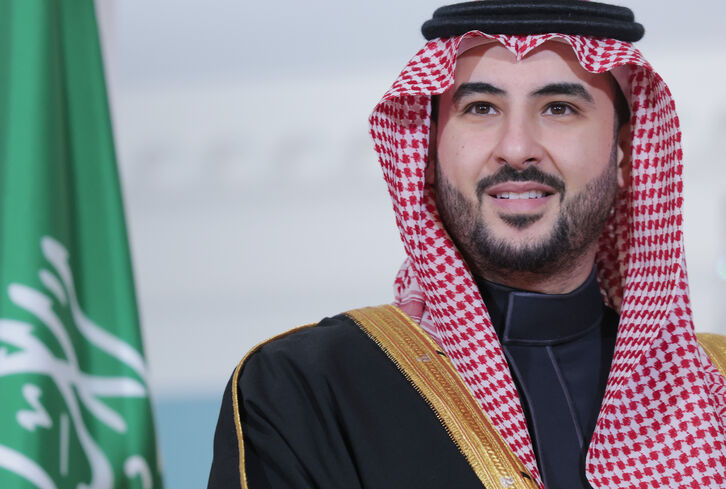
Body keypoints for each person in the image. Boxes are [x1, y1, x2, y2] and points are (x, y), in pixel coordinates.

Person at [208, 2, 726, 488]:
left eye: (560, 108)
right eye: (480, 108)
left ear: (624, 151)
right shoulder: (307, 388)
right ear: (430, 150)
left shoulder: (715, 390)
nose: (517, 149)